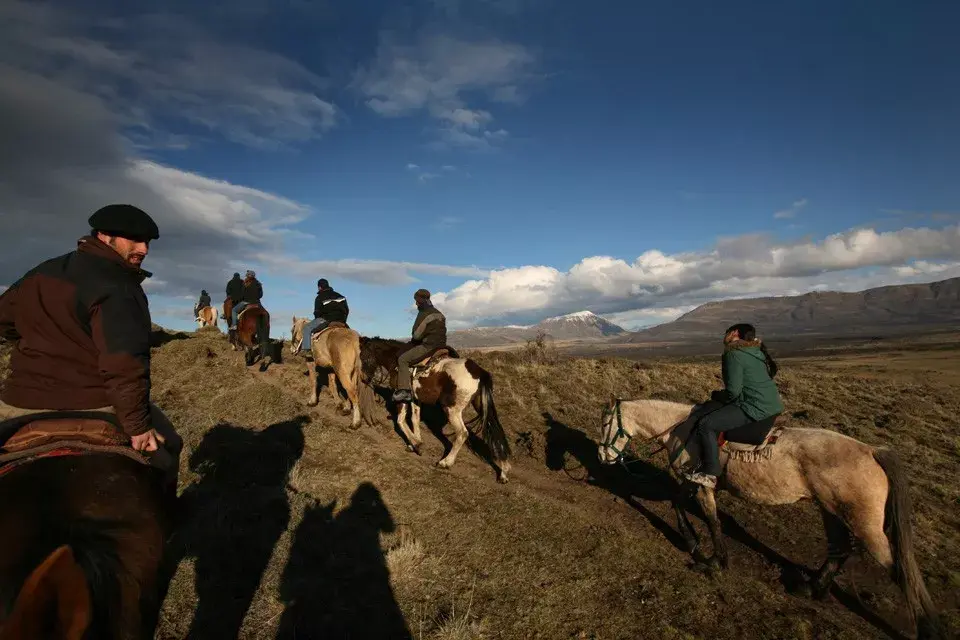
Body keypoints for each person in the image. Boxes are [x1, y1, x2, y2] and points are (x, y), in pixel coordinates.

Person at [0, 204, 183, 495]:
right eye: (134, 240)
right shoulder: (119, 285)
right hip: (92, 399)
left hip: (19, 401)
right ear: (103, 235)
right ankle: (174, 525)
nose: (144, 249)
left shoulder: (40, 273)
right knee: (169, 446)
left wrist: (40, 338)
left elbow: (5, 322)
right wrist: (137, 427)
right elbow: (124, 362)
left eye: (148, 242)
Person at [686, 323, 784, 488]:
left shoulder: (734, 353)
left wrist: (717, 395)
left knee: (706, 424)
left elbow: (733, 392)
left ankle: (710, 473)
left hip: (754, 406)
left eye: (726, 332)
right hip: (772, 404)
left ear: (734, 333)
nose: (724, 336)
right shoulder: (754, 350)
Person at [392, 289, 447, 403]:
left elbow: (416, 335)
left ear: (420, 300)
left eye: (416, 301)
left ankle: (404, 391)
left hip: (428, 346)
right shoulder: (440, 314)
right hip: (442, 346)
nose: (416, 304)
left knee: (403, 359)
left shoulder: (424, 313)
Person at [296, 278, 349, 355]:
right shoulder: (341, 296)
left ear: (320, 287)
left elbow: (317, 313)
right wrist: (343, 321)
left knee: (307, 328)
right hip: (341, 321)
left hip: (326, 320)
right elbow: (346, 310)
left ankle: (307, 351)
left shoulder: (319, 297)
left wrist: (318, 321)